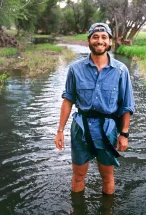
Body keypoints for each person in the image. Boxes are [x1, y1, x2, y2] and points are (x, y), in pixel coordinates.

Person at [54, 23, 135, 199]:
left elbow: (126, 105)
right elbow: (68, 101)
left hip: (108, 131)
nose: (100, 41)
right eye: (95, 37)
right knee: (78, 176)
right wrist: (59, 130)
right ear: (89, 41)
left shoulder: (121, 71)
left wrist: (124, 134)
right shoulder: (75, 69)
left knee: (107, 178)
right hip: (80, 129)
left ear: (110, 41)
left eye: (104, 37)